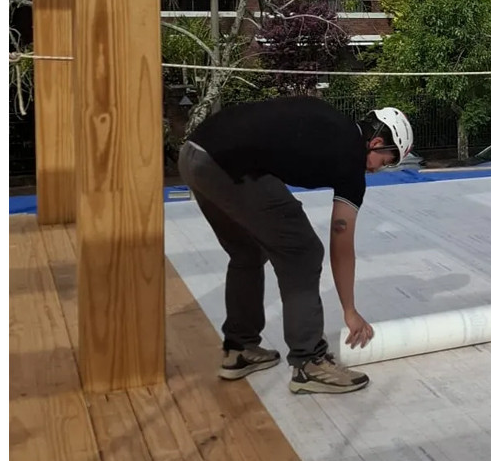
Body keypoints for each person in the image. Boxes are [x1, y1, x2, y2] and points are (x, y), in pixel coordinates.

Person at [177, 98, 413, 395]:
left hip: (193, 156)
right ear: (376, 142)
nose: (380, 170)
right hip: (229, 166)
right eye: (387, 161)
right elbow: (342, 242)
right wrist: (349, 311)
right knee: (303, 252)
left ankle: (240, 348)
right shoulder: (351, 159)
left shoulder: (330, 121)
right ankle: (309, 362)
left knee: (247, 250)